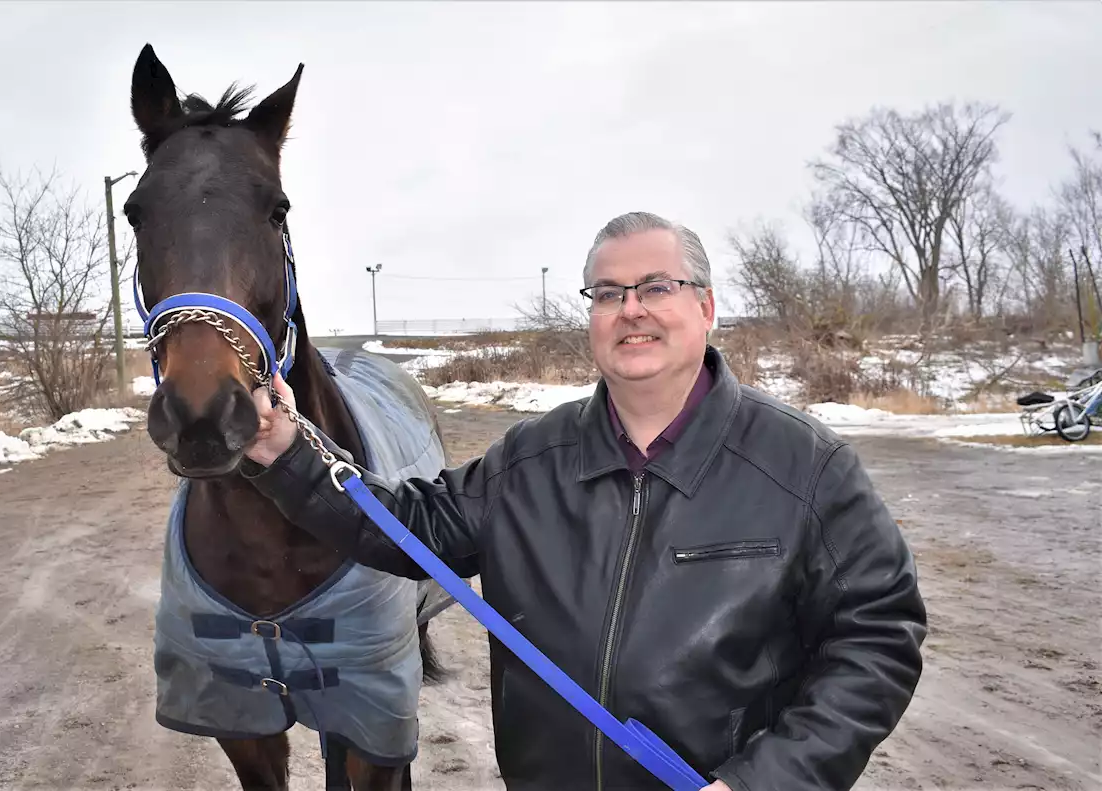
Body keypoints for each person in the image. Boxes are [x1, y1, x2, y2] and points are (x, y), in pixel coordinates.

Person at [237, 211, 928, 790]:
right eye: (607, 293)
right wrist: (285, 453)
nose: (631, 309)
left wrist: (769, 780)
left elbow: (878, 637)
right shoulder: (530, 459)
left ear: (706, 306)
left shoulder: (803, 465)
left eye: (657, 286)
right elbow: (407, 528)